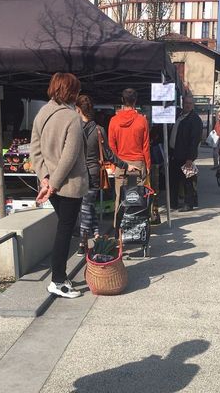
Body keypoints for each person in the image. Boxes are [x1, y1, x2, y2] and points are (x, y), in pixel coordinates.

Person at [31, 73, 88, 299]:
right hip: (69, 185)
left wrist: (45, 178)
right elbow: (70, 156)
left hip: (50, 184)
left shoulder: (42, 113)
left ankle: (59, 277)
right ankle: (58, 280)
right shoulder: (71, 118)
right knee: (64, 232)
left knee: (63, 230)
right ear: (71, 91)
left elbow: (34, 149)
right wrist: (53, 185)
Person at [75, 94, 138, 254]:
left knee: (85, 207)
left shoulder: (74, 129)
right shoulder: (99, 130)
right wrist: (125, 165)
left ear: (78, 110)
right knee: (89, 206)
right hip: (94, 173)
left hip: (78, 174)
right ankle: (96, 235)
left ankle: (83, 243)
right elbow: (109, 155)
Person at [108, 88, 151, 227]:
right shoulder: (142, 121)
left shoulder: (114, 121)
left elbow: (111, 146)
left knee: (119, 199)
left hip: (121, 163)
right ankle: (136, 228)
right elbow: (146, 146)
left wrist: (115, 164)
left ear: (122, 100)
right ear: (135, 101)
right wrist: (148, 166)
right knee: (137, 199)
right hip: (138, 163)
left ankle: (118, 231)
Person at [169, 96, 203, 212]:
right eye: (186, 103)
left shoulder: (195, 119)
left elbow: (195, 140)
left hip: (186, 156)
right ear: (182, 103)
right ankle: (173, 203)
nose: (188, 105)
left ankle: (189, 203)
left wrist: (190, 158)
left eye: (190, 103)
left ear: (193, 105)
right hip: (175, 154)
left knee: (188, 181)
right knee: (174, 180)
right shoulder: (179, 116)